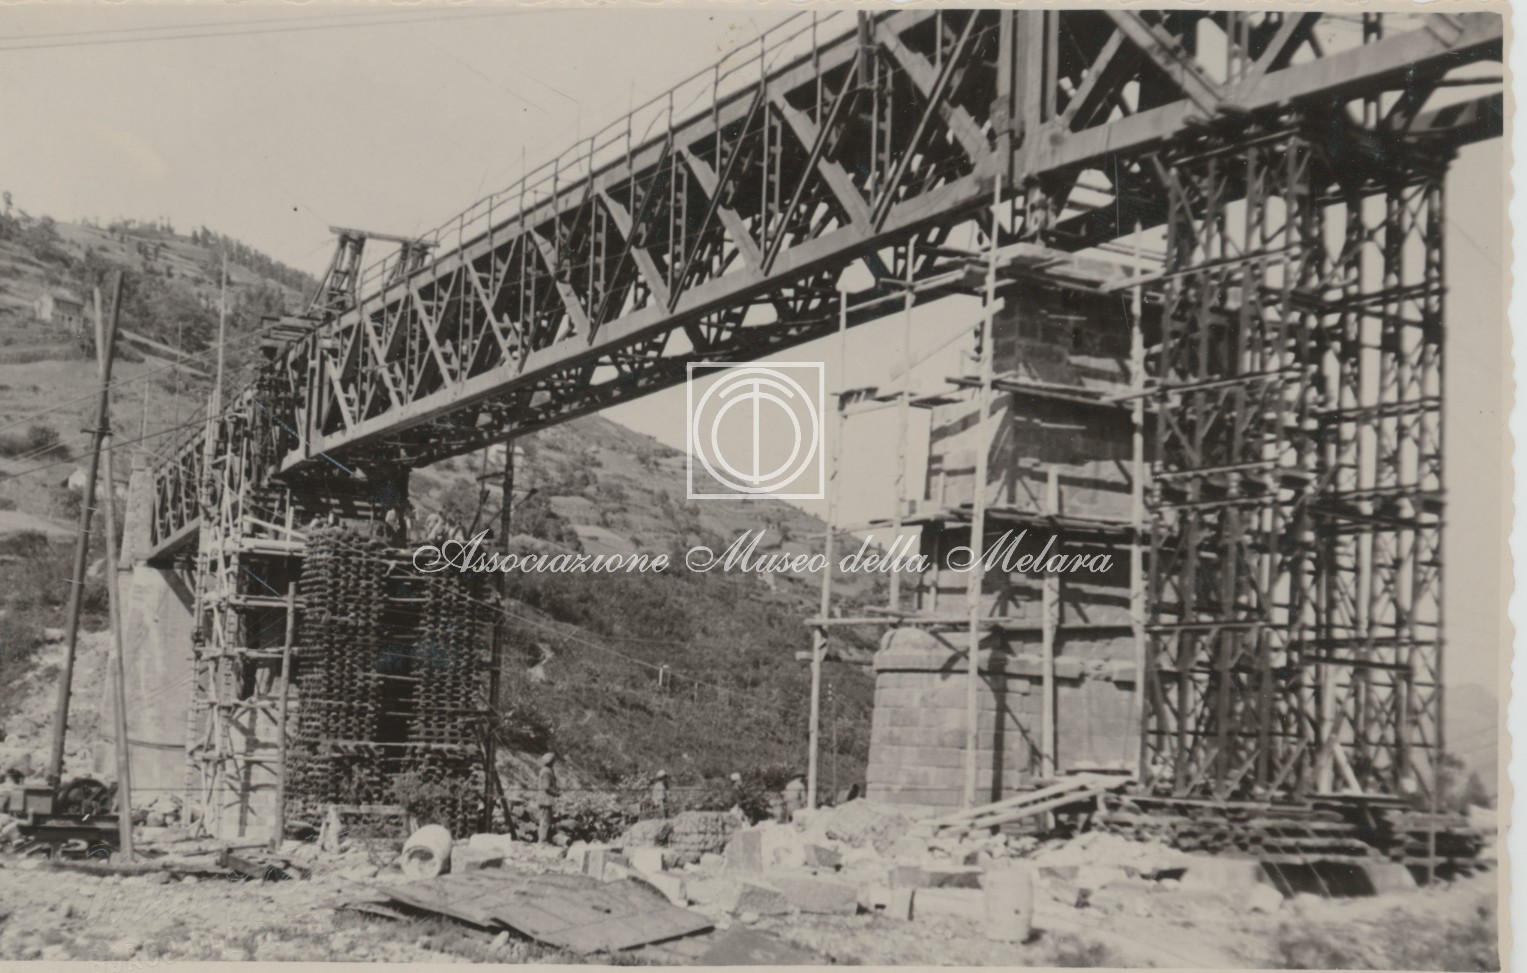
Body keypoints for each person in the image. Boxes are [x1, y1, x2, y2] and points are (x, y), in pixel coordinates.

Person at [536, 752, 559, 843]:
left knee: (546, 821)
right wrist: (556, 793)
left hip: (545, 799)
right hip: (545, 800)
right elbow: (547, 787)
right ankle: (542, 840)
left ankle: (544, 839)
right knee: (545, 822)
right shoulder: (546, 771)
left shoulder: (547, 770)